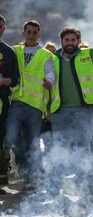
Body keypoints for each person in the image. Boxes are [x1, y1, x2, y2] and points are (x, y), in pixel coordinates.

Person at [48, 20, 93, 200]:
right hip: (60, 111)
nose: (70, 42)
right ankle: (55, 188)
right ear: (62, 41)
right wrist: (47, 109)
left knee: (83, 148)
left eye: (73, 39)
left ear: (78, 41)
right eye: (67, 40)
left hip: (83, 111)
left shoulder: (89, 55)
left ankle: (84, 186)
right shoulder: (52, 58)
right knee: (60, 148)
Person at [5, 20, 55, 191]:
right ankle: (24, 171)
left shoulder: (45, 55)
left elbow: (50, 71)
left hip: (34, 107)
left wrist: (49, 81)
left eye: (35, 32)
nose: (32, 35)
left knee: (32, 144)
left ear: (39, 34)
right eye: (29, 31)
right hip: (16, 103)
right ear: (23, 33)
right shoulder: (14, 50)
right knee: (11, 139)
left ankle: (33, 178)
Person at [0, 15, 20, 189]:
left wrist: (7, 81)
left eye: (0, 26)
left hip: (2, 101)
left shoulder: (8, 51)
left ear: (3, 29)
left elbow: (16, 78)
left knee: (1, 140)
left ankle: (2, 178)